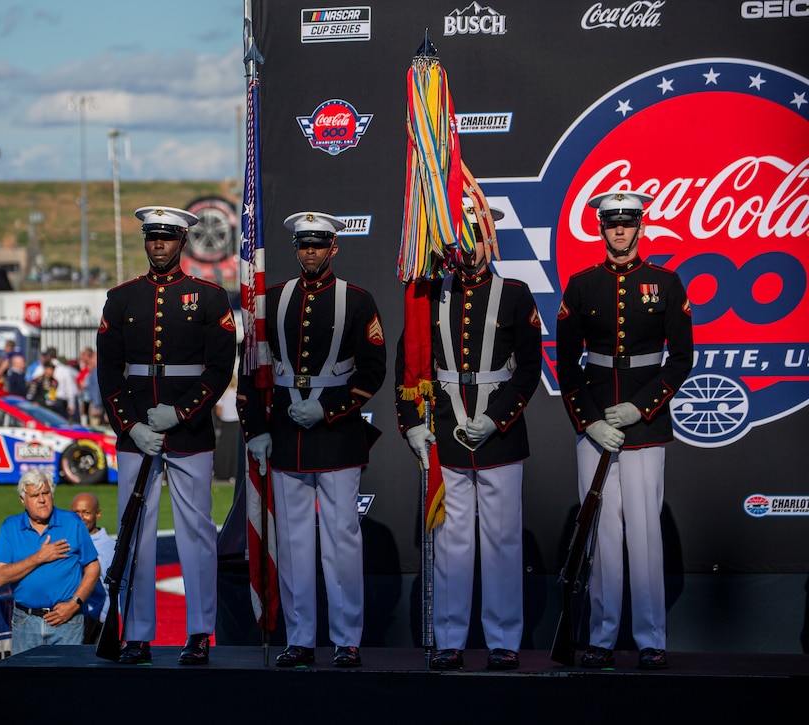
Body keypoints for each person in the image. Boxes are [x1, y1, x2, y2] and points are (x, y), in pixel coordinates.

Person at [236, 211, 387, 668]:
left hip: (337, 433)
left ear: (334, 248)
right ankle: (299, 638)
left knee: (342, 541)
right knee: (294, 544)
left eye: (318, 245)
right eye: (303, 245)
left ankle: (346, 640)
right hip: (284, 433)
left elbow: (373, 371)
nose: (310, 253)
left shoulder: (358, 301)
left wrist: (326, 409)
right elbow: (251, 368)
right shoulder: (273, 298)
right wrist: (256, 430)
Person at [395, 204, 542, 671]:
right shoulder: (428, 296)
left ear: (490, 241)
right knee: (451, 544)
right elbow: (410, 363)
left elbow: (530, 370)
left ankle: (503, 641)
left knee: (501, 542)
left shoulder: (516, 295)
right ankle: (450, 639)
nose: (472, 248)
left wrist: (498, 418)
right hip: (445, 432)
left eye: (479, 237)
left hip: (499, 436)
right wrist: (410, 422)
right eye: (463, 238)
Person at [556, 189, 694, 671]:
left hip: (646, 427)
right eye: (612, 222)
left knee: (644, 533)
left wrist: (642, 409)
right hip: (595, 423)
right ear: (599, 227)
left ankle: (651, 637)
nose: (620, 230)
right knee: (601, 535)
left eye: (628, 222)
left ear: (640, 226)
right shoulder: (581, 285)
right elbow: (567, 366)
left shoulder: (666, 282)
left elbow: (680, 360)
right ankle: (602, 636)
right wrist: (590, 420)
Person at [96, 205, 237, 665]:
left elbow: (219, 368)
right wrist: (131, 425)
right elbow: (107, 370)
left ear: (182, 242)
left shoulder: (210, 297)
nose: (158, 245)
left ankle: (199, 632)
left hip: (189, 428)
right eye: (152, 238)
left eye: (167, 238)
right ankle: (136, 633)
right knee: (134, 532)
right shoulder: (121, 299)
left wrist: (178, 413)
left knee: (195, 532)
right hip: (136, 429)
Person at [0, 470, 100, 654]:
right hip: (26, 620)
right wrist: (39, 557)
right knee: (26, 681)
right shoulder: (10, 527)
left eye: (46, 493)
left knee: (66, 680)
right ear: (22, 500)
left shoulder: (72, 522)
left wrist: (75, 603)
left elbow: (93, 566)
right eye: (35, 495)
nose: (42, 500)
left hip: (67, 620)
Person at [70, 491, 116, 643]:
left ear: (98, 514)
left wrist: (100, 620)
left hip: (95, 625)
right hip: (69, 620)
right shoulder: (64, 541)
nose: (80, 517)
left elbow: (113, 591)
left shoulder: (109, 548)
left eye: (86, 512)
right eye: (76, 512)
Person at [50, 354, 79, 421]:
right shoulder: (65, 370)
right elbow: (70, 389)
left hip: (56, 400)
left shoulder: (63, 370)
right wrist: (71, 404)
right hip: (60, 400)